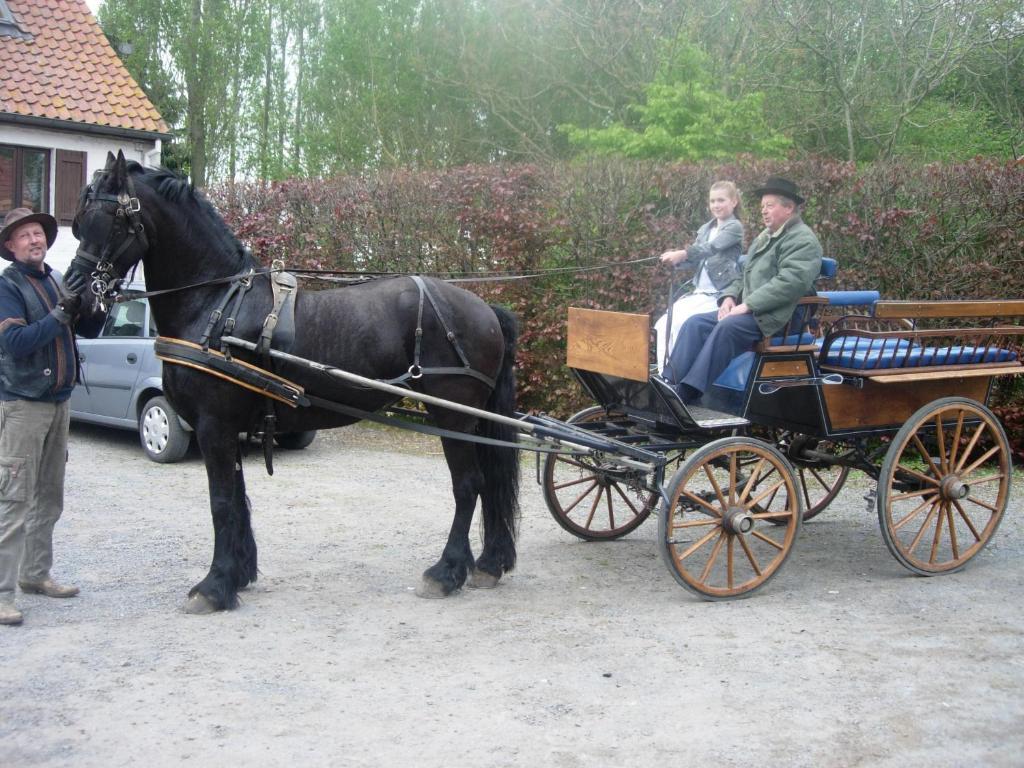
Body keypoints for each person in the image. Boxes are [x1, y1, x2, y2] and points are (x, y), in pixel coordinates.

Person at [0, 208, 105, 626]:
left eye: (38, 233)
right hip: (23, 405)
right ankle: (2, 592)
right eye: (24, 235)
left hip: (59, 402)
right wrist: (60, 314)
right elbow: (15, 342)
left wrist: (95, 306)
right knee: (14, 500)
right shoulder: (7, 287)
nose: (34, 239)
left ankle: (35, 574)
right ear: (10, 246)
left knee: (49, 497)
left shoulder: (56, 280)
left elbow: (91, 331)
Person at [662, 178, 822, 403]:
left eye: (770, 206)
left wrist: (747, 305)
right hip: (755, 313)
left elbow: (789, 283)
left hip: (783, 315)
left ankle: (689, 392)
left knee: (728, 326)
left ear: (789, 208)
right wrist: (728, 297)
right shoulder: (764, 237)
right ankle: (668, 384)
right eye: (762, 206)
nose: (764, 211)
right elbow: (744, 275)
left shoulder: (803, 240)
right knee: (695, 324)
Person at [654, 181, 744, 371]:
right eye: (712, 201)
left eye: (721, 200)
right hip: (699, 293)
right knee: (664, 323)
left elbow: (710, 248)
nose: (716, 205)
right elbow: (696, 260)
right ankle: (664, 373)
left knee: (680, 324)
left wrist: (683, 253)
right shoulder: (705, 229)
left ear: (734, 202)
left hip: (718, 294)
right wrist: (676, 261)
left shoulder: (734, 228)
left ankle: (677, 374)